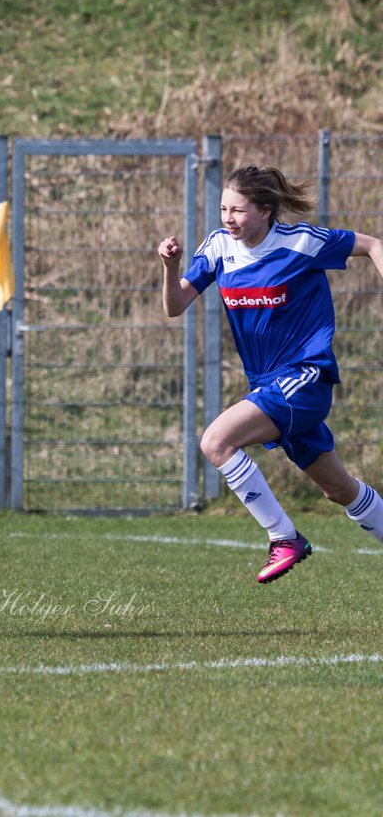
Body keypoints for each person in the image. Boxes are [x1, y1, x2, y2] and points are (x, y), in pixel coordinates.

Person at [159, 164, 383, 584]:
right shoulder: (217, 248)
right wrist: (170, 268)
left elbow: (372, 244)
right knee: (339, 490)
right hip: (269, 384)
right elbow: (174, 306)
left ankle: (284, 537)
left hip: (305, 377)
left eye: (238, 210)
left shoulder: (301, 241)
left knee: (216, 440)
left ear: (265, 211)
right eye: (224, 208)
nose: (228, 218)